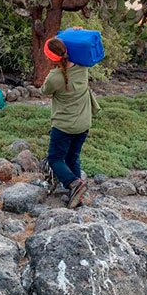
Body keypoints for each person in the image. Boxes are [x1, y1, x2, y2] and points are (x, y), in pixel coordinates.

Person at [41, 36, 99, 209]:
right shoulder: (83, 68)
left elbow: (44, 91)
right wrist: (76, 33)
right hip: (83, 124)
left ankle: (74, 183)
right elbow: (83, 45)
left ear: (51, 58)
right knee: (73, 157)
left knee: (55, 158)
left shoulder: (55, 77)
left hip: (64, 126)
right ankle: (76, 195)